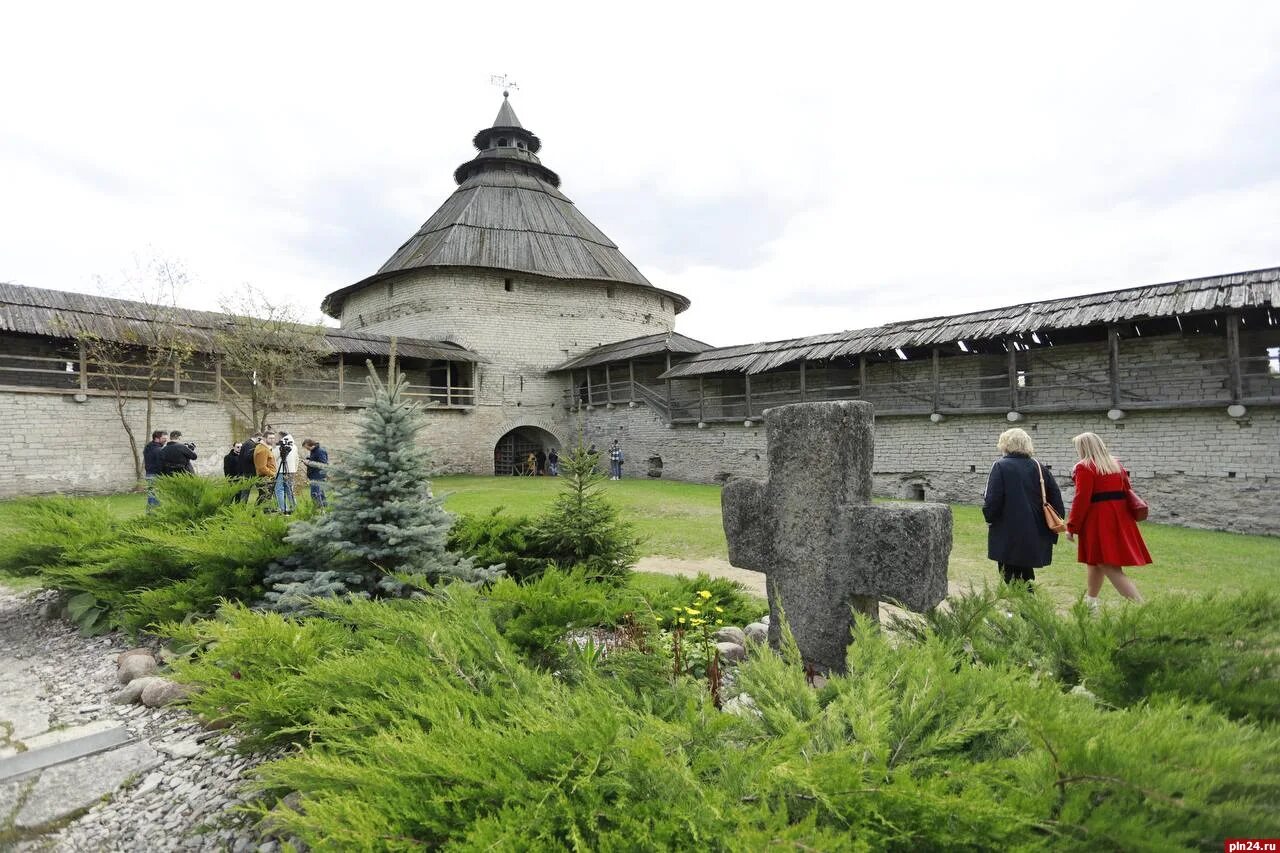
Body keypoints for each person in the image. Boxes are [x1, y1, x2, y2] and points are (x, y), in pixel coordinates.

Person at [1066, 432, 1149, 611]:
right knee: (1095, 561)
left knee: (1109, 566)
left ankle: (1141, 607)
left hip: (1099, 520)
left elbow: (1081, 498)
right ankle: (1091, 603)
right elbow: (1127, 489)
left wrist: (1071, 526)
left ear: (1083, 448)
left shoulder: (1084, 467)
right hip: (1119, 518)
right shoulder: (1116, 464)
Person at [981, 428, 1064, 587]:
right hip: (1035, 531)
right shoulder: (1040, 467)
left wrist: (989, 518)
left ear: (1005, 444)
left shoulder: (1000, 466)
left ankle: (1022, 611)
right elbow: (1057, 502)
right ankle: (1026, 609)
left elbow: (992, 501)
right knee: (1024, 575)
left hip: (1009, 532)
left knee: (1010, 577)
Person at [142, 430, 168, 510]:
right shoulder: (158, 450)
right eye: (163, 438)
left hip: (149, 474)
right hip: (156, 475)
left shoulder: (148, 447)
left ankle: (150, 514)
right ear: (157, 438)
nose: (165, 440)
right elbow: (160, 464)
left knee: (151, 495)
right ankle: (155, 515)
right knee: (156, 497)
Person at [275, 432, 299, 514]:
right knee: (290, 489)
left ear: (281, 437)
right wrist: (294, 469)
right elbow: (297, 459)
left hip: (281, 471)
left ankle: (283, 508)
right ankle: (294, 507)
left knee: (279, 489)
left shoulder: (279, 447)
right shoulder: (294, 446)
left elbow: (274, 457)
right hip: (291, 470)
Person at [254, 431, 278, 508]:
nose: (272, 440)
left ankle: (263, 513)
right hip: (264, 477)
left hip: (267, 477)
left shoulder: (265, 448)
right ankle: (255, 513)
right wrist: (273, 474)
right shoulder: (263, 449)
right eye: (270, 438)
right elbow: (262, 467)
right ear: (264, 438)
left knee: (265, 497)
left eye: (273, 438)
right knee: (263, 497)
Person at [302, 438, 329, 508]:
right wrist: (308, 461)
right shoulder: (313, 451)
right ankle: (324, 508)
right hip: (314, 475)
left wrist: (309, 462)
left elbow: (323, 464)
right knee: (320, 493)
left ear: (310, 444)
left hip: (318, 475)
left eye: (306, 447)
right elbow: (315, 461)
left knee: (315, 493)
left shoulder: (320, 451)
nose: (307, 449)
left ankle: (318, 509)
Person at [235, 433, 262, 503]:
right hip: (250, 473)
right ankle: (243, 509)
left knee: (245, 493)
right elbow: (248, 457)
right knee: (246, 493)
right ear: (258, 438)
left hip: (246, 472)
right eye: (260, 439)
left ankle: (242, 509)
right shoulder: (250, 444)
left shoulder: (247, 443)